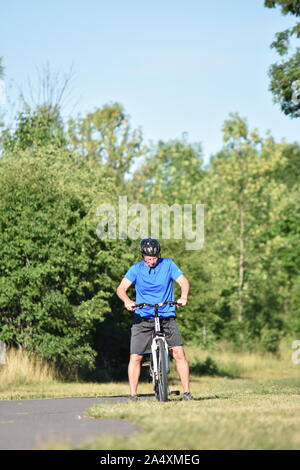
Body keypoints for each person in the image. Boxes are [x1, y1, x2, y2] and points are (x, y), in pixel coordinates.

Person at [116, 238, 193, 401]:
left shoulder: (168, 265)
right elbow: (121, 289)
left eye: (154, 258)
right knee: (135, 356)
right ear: (143, 256)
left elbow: (183, 282)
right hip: (143, 317)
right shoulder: (136, 269)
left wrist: (183, 296)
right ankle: (133, 395)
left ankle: (187, 393)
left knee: (179, 353)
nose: (152, 261)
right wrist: (127, 301)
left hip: (166, 315)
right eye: (148, 259)